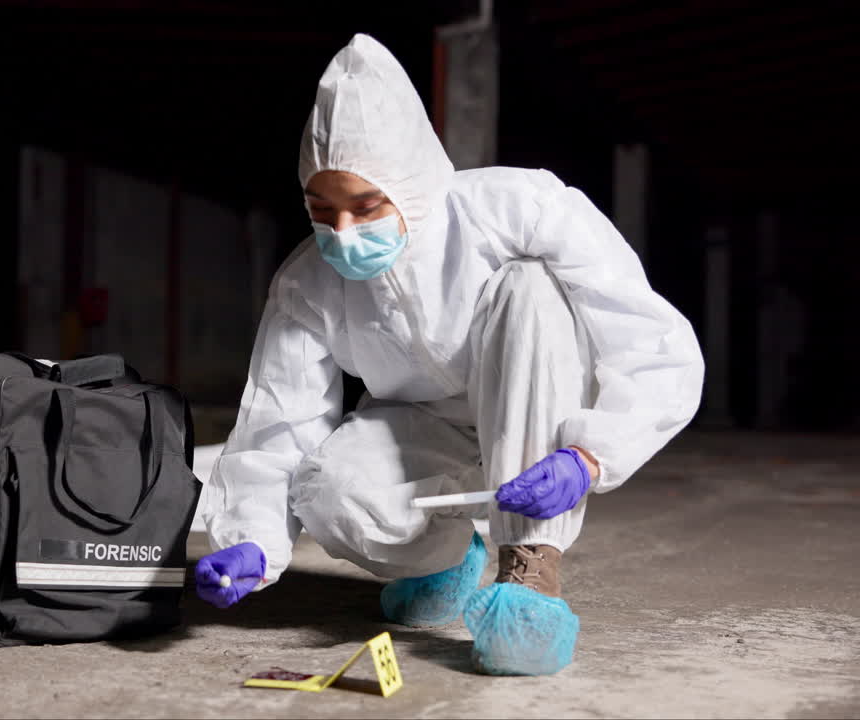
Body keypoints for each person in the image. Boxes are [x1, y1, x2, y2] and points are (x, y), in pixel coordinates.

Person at [193, 34, 704, 676]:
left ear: (410, 184)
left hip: (536, 402)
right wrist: (251, 541)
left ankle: (529, 565)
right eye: (323, 211)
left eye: (365, 206)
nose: (343, 234)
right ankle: (446, 557)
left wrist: (589, 455)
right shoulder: (307, 284)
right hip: (421, 424)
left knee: (530, 286)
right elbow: (280, 421)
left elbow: (648, 338)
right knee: (329, 489)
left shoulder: (520, 209)